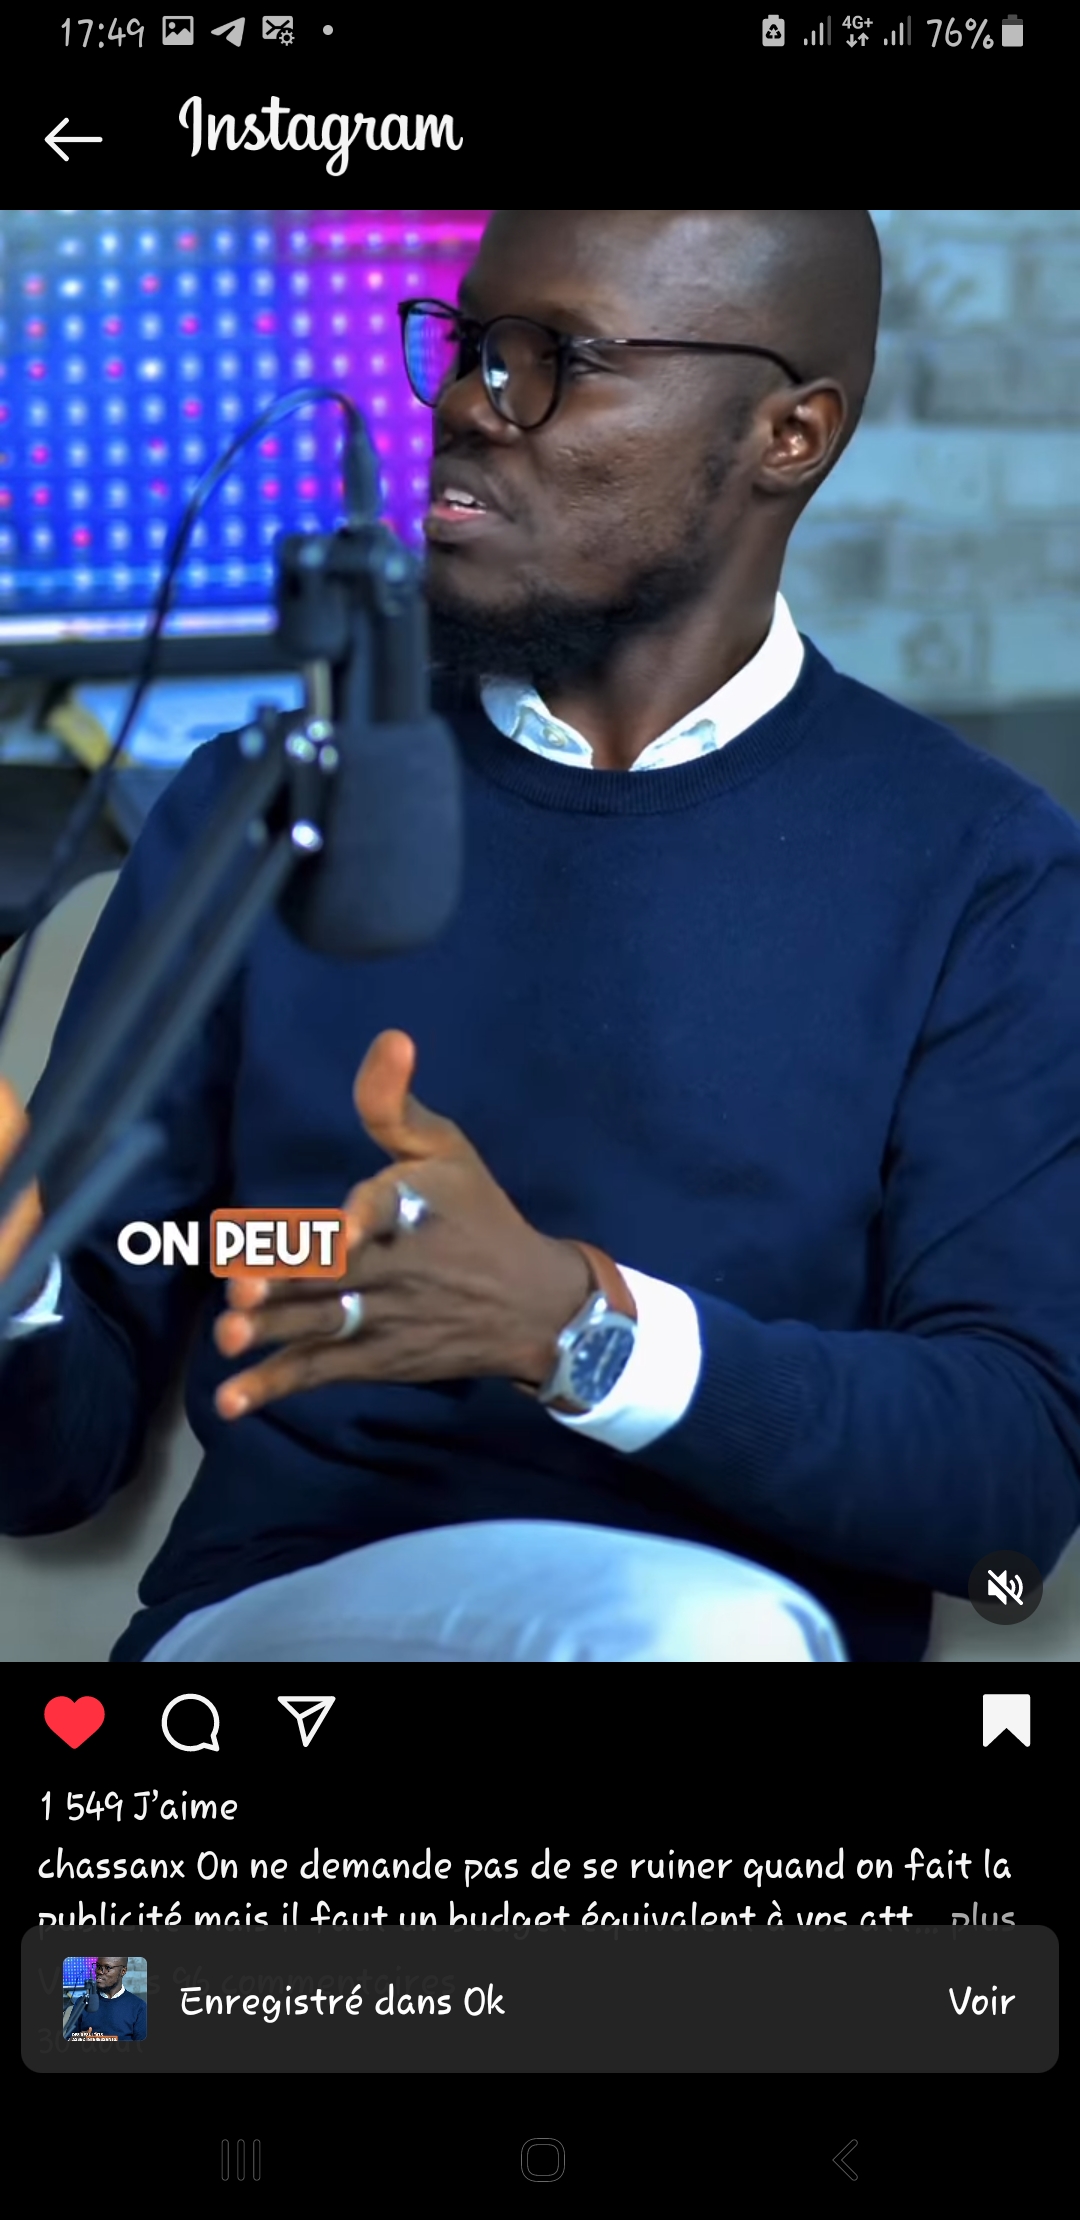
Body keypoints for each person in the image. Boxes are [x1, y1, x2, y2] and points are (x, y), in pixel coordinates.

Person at [1, 208, 1078, 1665]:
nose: (464, 403)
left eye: (555, 356)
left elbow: (1007, 1489)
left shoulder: (984, 874)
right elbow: (51, 1469)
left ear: (790, 435)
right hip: (285, 1627)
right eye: (465, 347)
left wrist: (578, 1330)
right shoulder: (261, 809)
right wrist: (24, 1289)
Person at [64, 1956, 147, 2041]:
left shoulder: (139, 2007)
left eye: (108, 1968)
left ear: (123, 1971)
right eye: (98, 1966)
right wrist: (76, 2039)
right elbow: (69, 2039)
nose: (99, 1971)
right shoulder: (82, 2002)